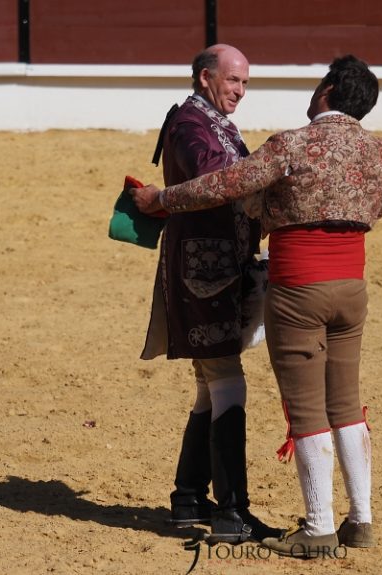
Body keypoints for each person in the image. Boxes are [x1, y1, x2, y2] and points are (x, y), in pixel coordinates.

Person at [131, 55, 382, 558]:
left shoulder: (291, 143)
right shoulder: (381, 153)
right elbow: (375, 211)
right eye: (236, 79)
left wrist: (161, 198)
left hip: (298, 287)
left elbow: (225, 185)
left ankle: (316, 525)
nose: (242, 90)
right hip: (352, 286)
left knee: (305, 407)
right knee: (345, 402)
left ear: (327, 91)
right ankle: (359, 519)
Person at [142, 44, 279, 544]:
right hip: (204, 271)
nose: (240, 91)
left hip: (218, 266)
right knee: (226, 379)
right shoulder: (190, 125)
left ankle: (187, 497)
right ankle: (232, 511)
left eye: (245, 83)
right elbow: (214, 178)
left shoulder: (207, 121)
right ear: (205, 78)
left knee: (211, 381)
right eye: (233, 80)